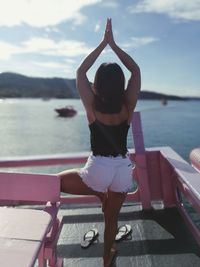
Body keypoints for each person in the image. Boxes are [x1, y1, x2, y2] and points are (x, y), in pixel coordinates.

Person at [58, 18, 141, 267]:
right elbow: (135, 71)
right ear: (119, 85)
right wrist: (114, 45)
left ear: (98, 84)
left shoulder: (92, 107)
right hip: (124, 171)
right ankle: (107, 260)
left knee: (55, 182)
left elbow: (81, 72)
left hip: (98, 170)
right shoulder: (127, 107)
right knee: (111, 220)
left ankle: (98, 191)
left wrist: (102, 43)